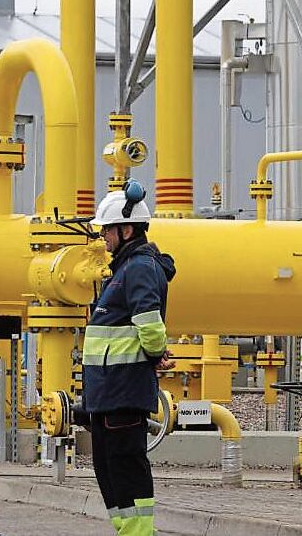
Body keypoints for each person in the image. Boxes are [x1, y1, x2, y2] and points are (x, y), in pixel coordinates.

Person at [81, 184, 177, 536]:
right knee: (109, 468)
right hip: (110, 391)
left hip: (123, 390)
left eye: (106, 230)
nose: (103, 237)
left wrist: (154, 354)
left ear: (126, 229)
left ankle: (138, 532)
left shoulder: (138, 268)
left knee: (125, 465)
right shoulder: (125, 268)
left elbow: (149, 324)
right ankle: (128, 530)